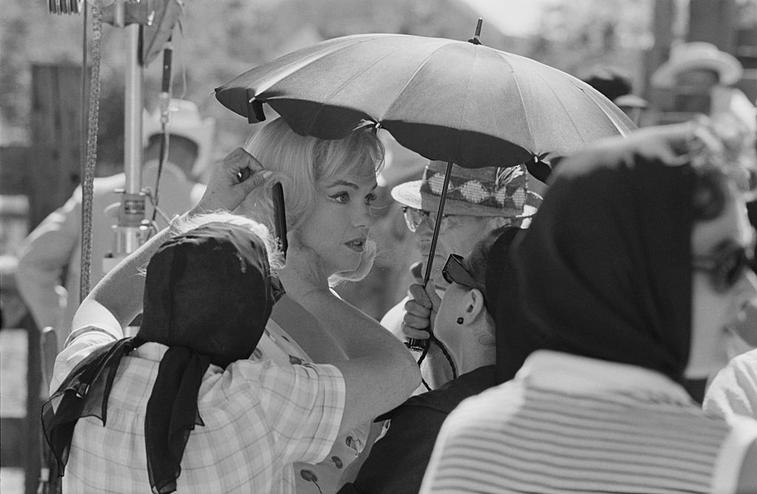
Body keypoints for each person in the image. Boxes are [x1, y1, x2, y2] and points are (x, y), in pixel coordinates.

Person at [76, 117, 421, 493]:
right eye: (341, 195)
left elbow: (103, 304)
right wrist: (307, 291)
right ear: (283, 198)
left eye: (370, 197)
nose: (363, 218)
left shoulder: (89, 371)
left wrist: (203, 212)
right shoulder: (256, 396)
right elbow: (399, 372)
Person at [420, 118, 757, 493]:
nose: (749, 287)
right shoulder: (737, 465)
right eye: (729, 264)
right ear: (642, 270)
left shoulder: (469, 435)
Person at [340, 227, 521, 494]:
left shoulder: (432, 422)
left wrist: (371, 442)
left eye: (456, 273)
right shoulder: (553, 410)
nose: (444, 288)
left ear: (471, 306)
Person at [15, 99, 213, 341]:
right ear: (195, 156)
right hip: (175, 363)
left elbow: (31, 262)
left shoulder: (95, 193)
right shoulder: (209, 205)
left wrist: (65, 323)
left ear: (146, 145)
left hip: (91, 348)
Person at [381, 160, 545, 388]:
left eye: (442, 218)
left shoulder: (543, 321)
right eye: (420, 215)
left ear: (501, 225)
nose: (422, 232)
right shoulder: (399, 326)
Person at [652, 41, 743, 115]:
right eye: (687, 82)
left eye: (703, 80)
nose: (692, 88)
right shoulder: (664, 107)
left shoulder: (733, 102)